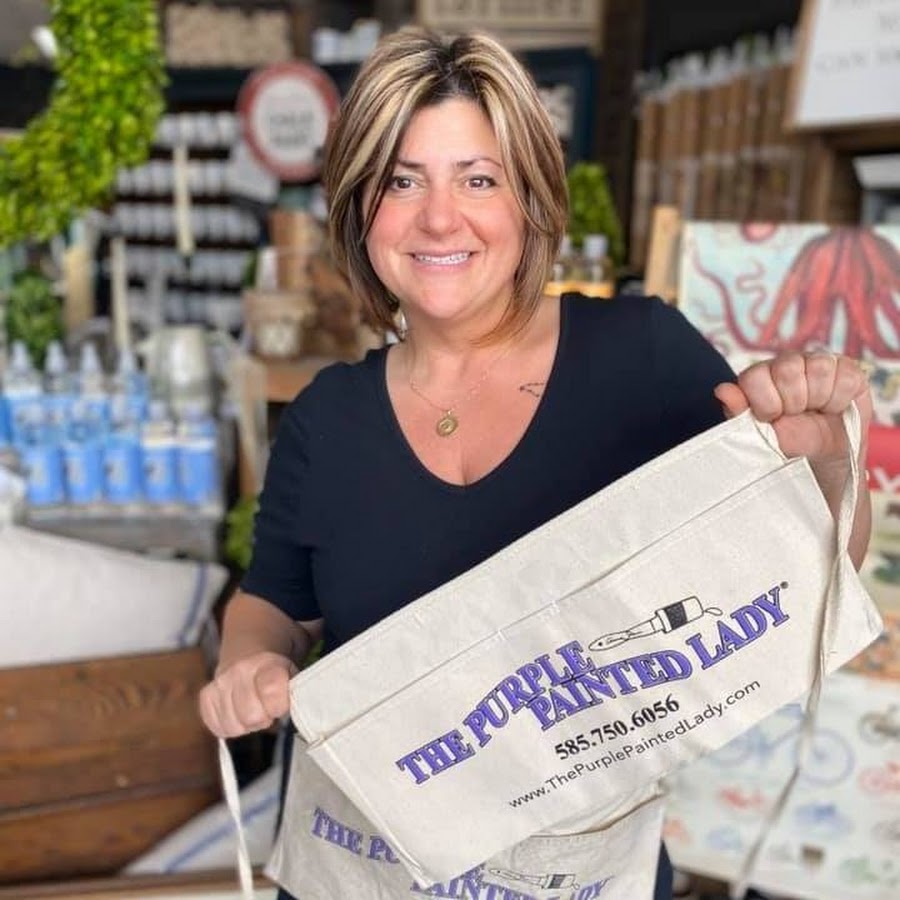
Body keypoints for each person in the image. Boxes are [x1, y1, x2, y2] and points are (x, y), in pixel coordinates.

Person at [198, 26, 873, 900]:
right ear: (360, 208)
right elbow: (274, 605)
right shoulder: (327, 417)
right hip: (362, 866)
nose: (439, 217)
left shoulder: (642, 357)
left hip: (575, 873)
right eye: (402, 180)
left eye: (478, 179)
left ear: (531, 199)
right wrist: (246, 664)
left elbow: (808, 578)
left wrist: (824, 455)